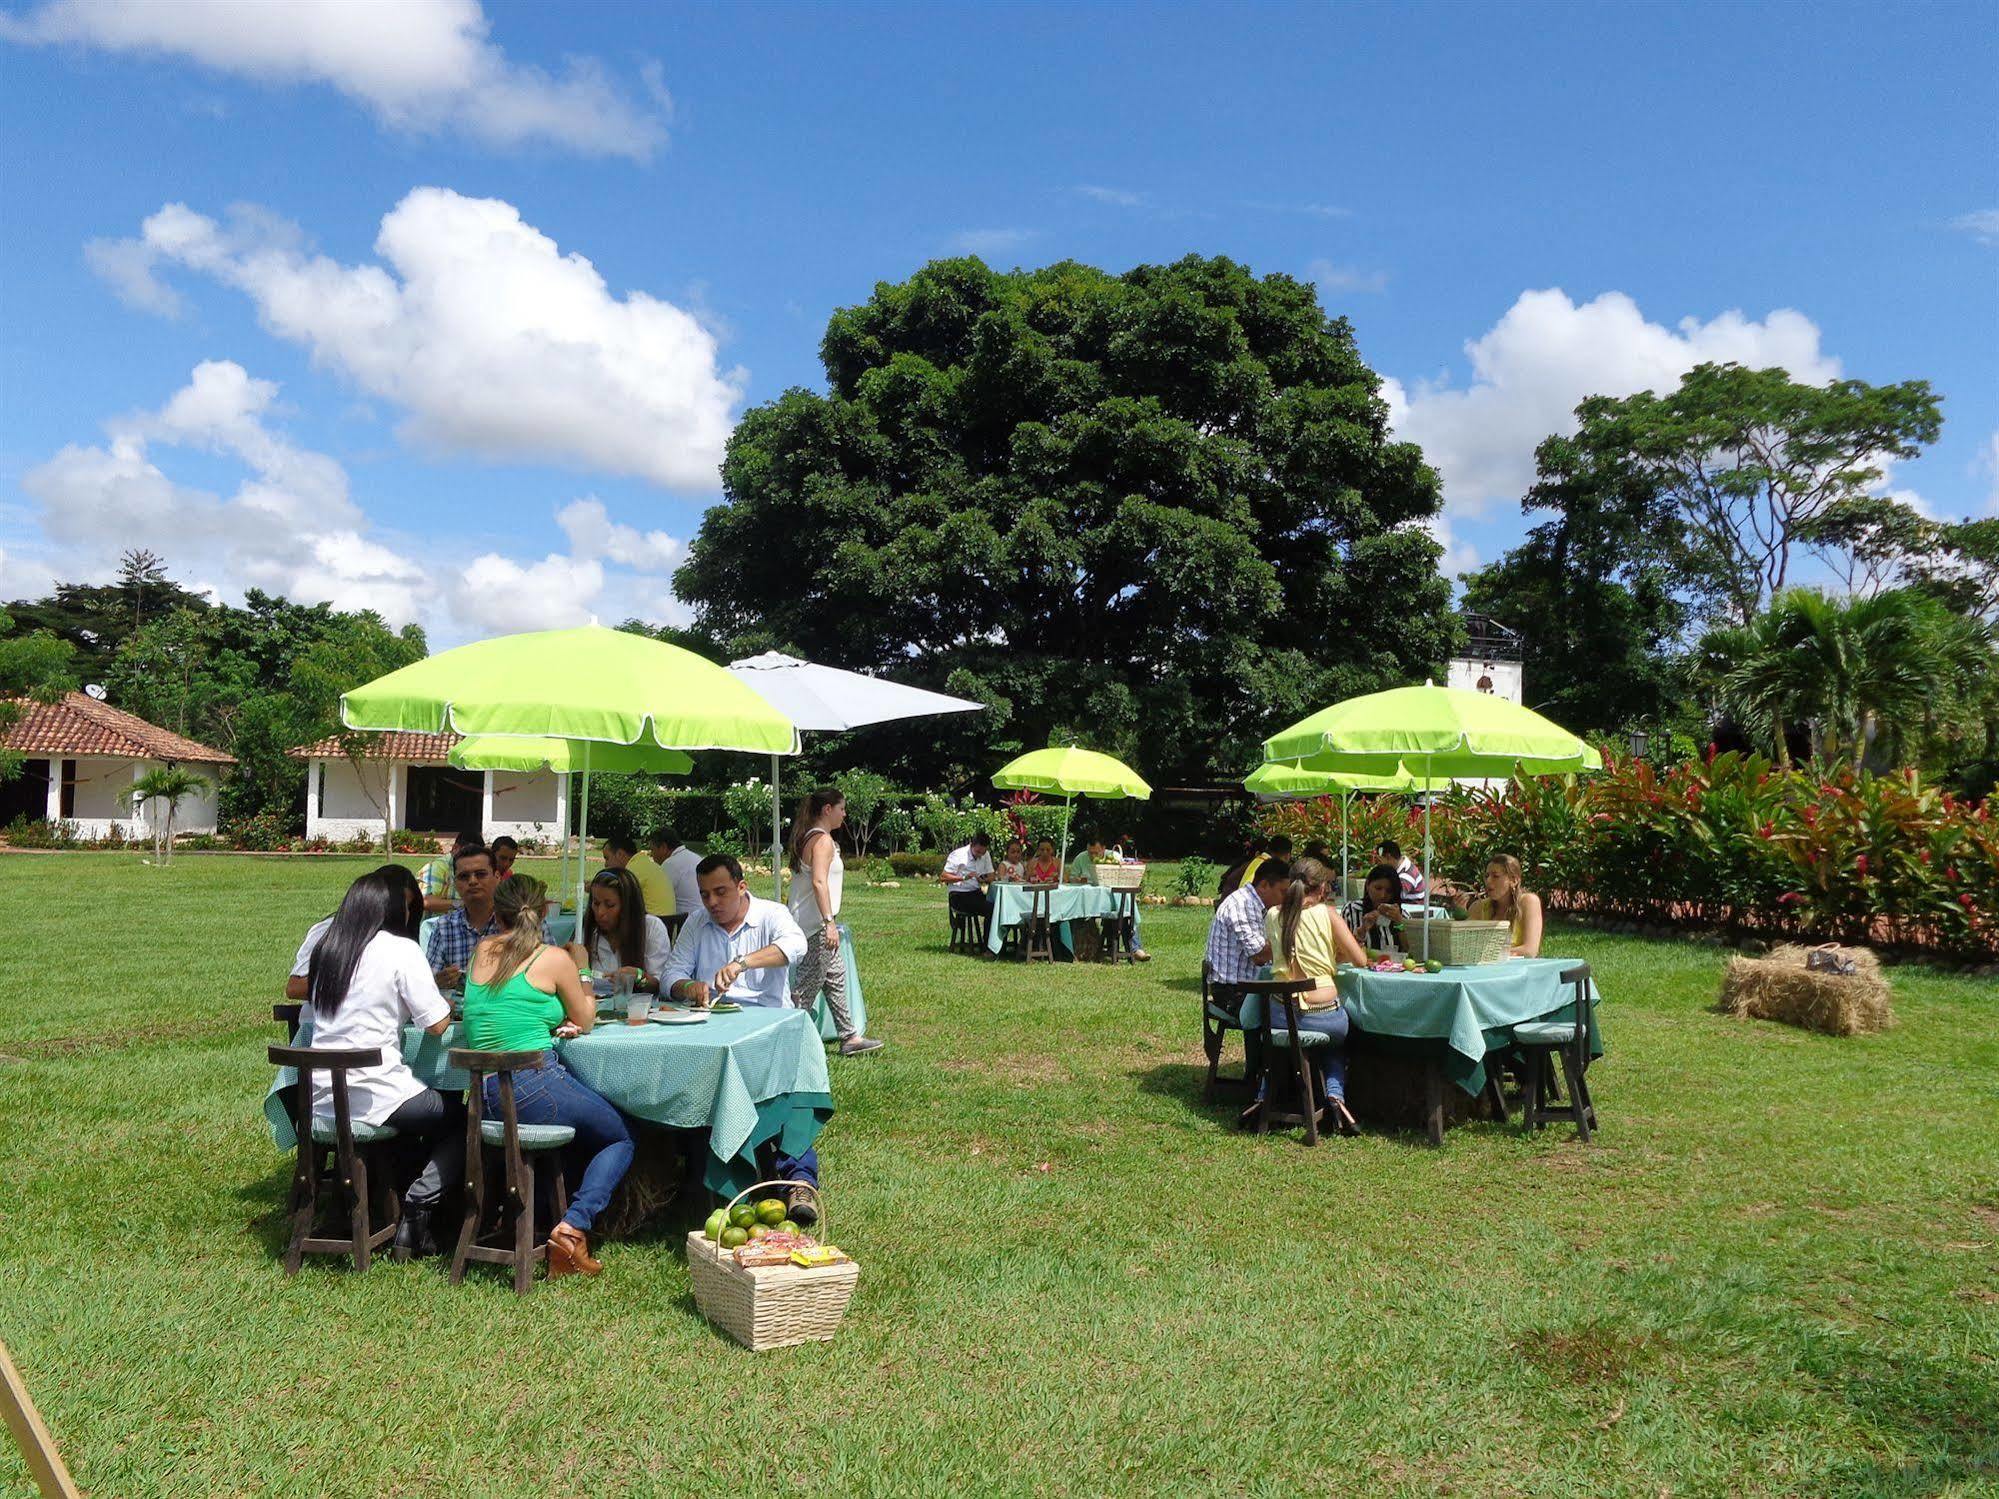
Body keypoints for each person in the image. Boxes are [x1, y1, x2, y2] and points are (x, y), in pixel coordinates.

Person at [462, 874, 629, 1277]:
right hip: (532, 1085)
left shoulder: (482, 950)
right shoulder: (552, 958)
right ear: (545, 913)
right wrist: (584, 966)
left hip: (483, 1097)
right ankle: (572, 1230)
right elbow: (586, 1018)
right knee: (620, 1136)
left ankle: (547, 1214)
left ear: (497, 914)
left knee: (583, 1130)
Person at [303, 867, 461, 1258]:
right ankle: (419, 1206)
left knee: (418, 1120)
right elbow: (439, 1025)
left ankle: (380, 1199)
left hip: (322, 1100)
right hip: (377, 1096)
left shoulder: (329, 950)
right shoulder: (400, 949)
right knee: (463, 1118)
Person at [661, 854, 819, 1221]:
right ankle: (713, 1178)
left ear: (741, 886)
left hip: (768, 1026)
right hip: (713, 1031)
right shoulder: (698, 924)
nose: (712, 903)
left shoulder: (770, 914)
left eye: (720, 892)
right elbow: (671, 974)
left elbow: (796, 947)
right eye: (704, 895)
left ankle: (798, 1178)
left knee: (791, 1093)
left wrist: (743, 962)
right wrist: (691, 987)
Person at [1266, 857, 1369, 1134]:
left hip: (1277, 1016)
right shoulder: (1328, 914)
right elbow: (1360, 959)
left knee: (1302, 1041)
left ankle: (1264, 1095)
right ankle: (1335, 1096)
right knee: (1338, 1037)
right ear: (1323, 887)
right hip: (1321, 1016)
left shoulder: (1274, 915)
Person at [786, 788, 882, 1056]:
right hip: (815, 925)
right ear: (827, 809)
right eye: (841, 808)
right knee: (805, 989)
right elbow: (819, 882)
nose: (844, 814)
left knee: (835, 977)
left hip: (811, 921)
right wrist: (829, 922)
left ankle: (849, 1036)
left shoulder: (810, 837)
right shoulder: (823, 842)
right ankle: (785, 1039)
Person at [287, 864, 424, 1002]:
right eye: (398, 906)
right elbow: (295, 988)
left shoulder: (402, 943)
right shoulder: (327, 930)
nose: (404, 913)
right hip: (320, 1019)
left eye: (408, 906)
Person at [567, 867, 670, 991]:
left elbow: (661, 984)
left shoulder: (651, 928)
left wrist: (639, 977)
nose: (600, 912)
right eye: (596, 903)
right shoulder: (587, 931)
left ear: (628, 906)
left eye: (610, 905)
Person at [424, 842, 502, 988]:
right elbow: (427, 985)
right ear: (455, 883)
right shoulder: (444, 927)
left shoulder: (520, 921)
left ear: (497, 877)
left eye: (480, 874)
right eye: (464, 876)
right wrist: (438, 982)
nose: (472, 881)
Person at [1206, 855, 1292, 984]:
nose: (1286, 899)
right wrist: (1294, 938)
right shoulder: (1243, 904)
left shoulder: (1258, 905)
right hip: (1233, 991)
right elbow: (1260, 956)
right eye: (1283, 892)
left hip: (1248, 986)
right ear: (1264, 885)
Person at [1442, 853, 1544, 958]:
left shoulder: (1528, 902)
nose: (1488, 881)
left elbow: (1530, 950)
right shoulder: (1479, 907)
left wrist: (1490, 953)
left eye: (1495, 876)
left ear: (1514, 880)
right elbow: (1463, 945)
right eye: (1487, 876)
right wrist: (1461, 914)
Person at [1070, 830, 1150, 961]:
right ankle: (1081, 949)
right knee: (1079, 916)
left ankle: (1135, 949)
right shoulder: (1081, 858)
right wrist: (1079, 880)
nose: (1092, 856)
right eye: (1090, 852)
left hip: (1111, 899)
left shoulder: (1114, 857)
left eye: (1096, 852)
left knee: (1122, 915)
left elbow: (1121, 876)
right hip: (1087, 898)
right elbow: (1072, 878)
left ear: (1103, 848)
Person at [1347, 863, 1409, 954]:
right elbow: (1343, 948)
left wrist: (1399, 922)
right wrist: (1363, 929)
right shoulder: (1352, 910)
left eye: (1389, 891)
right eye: (1378, 888)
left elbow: (1407, 949)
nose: (1382, 895)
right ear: (1368, 885)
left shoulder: (1402, 915)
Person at [418, 829, 481, 914]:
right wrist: (461, 904)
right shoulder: (436, 867)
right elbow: (425, 901)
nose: (471, 859)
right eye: (468, 854)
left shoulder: (475, 871)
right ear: (455, 848)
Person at [942, 831, 995, 921]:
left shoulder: (985, 855)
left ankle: (990, 935)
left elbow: (992, 876)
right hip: (959, 895)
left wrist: (982, 879)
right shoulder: (958, 855)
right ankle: (988, 935)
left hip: (976, 892)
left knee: (998, 907)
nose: (980, 855)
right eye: (977, 852)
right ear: (971, 845)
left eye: (982, 852)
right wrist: (963, 878)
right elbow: (943, 877)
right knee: (990, 909)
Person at [623, 832, 676, 920]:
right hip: (669, 928)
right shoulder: (653, 866)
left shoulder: (633, 868)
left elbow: (613, 892)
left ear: (620, 855)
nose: (606, 864)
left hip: (652, 928)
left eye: (607, 858)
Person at [654, 826, 703, 919]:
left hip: (684, 923)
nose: (652, 855)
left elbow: (657, 897)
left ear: (663, 847)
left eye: (653, 850)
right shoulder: (696, 858)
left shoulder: (669, 864)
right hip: (704, 917)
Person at [1377, 839, 1428, 905]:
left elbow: (1394, 895)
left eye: (1380, 861)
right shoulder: (1399, 868)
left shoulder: (1407, 874)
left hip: (1414, 908)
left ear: (1388, 857)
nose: (1379, 864)